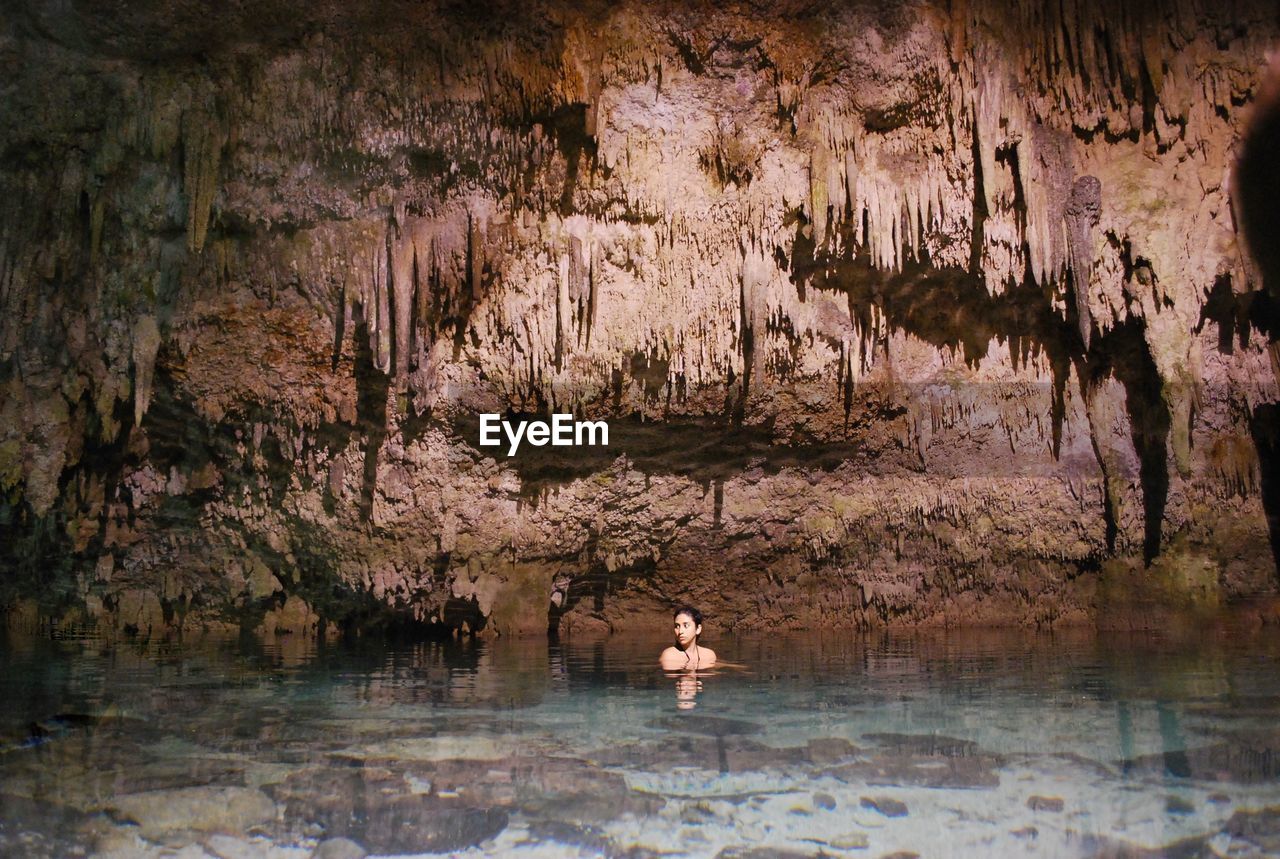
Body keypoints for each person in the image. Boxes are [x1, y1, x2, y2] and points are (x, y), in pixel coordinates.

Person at [660, 605, 717, 671]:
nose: (680, 631)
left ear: (698, 629)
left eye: (686, 625)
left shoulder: (709, 655)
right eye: (677, 626)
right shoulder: (669, 656)